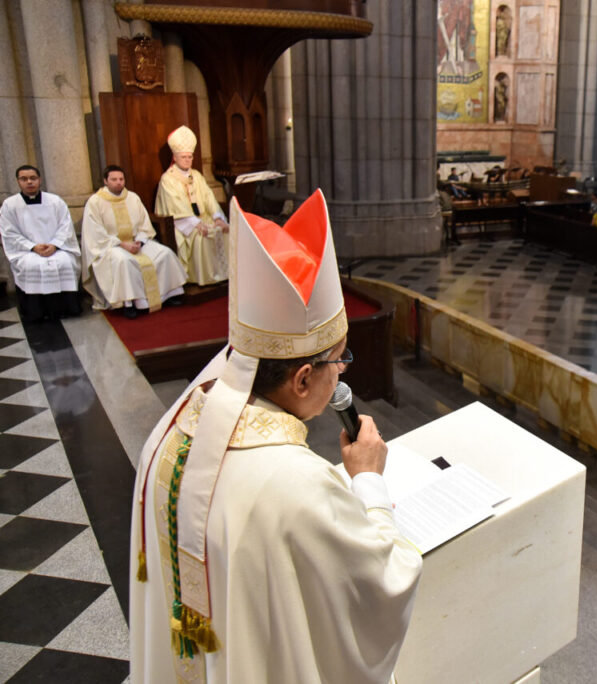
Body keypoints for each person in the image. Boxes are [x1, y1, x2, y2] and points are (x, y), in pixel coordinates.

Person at [130, 190, 422, 683]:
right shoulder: (295, 483)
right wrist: (368, 481)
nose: (343, 373)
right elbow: (381, 582)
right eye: (340, 359)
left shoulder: (173, 427)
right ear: (303, 379)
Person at [82, 165, 187, 318]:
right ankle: (129, 303)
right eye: (114, 179)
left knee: (165, 254)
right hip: (111, 245)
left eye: (121, 179)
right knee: (124, 262)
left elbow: (145, 225)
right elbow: (95, 233)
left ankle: (168, 295)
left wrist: (139, 241)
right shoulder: (95, 202)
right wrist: (122, 244)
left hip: (136, 242)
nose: (118, 182)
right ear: (105, 181)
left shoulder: (133, 197)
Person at [0, 164, 81, 322]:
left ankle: (66, 309)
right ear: (18, 182)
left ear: (39, 180)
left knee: (64, 261)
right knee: (32, 265)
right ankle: (36, 313)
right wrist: (33, 247)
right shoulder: (10, 205)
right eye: (24, 179)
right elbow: (9, 232)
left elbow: (66, 226)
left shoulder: (55, 201)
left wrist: (55, 245)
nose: (29, 182)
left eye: (33, 178)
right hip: (27, 251)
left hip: (56, 248)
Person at [155, 125, 229, 286]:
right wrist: (196, 224)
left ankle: (225, 274)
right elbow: (176, 206)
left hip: (203, 217)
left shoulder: (196, 175)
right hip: (182, 223)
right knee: (203, 234)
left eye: (190, 157)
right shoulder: (168, 179)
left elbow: (209, 198)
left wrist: (217, 217)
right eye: (184, 157)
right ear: (174, 157)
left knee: (223, 229)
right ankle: (205, 278)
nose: (188, 160)